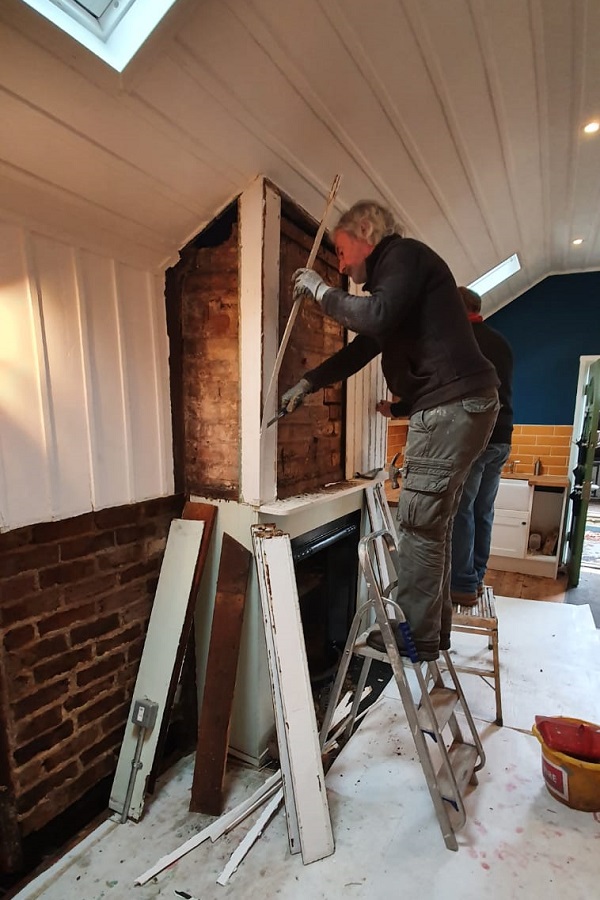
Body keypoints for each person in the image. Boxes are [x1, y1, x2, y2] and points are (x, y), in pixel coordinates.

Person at [279, 200, 499, 662]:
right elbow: (364, 347)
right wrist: (309, 382)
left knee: (417, 524)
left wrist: (321, 291)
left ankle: (415, 637)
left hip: (449, 407)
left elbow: (373, 318)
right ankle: (432, 634)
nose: (340, 264)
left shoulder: (402, 258)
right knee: (433, 526)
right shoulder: (397, 288)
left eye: (340, 251)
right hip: (463, 407)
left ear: (366, 232)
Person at [449, 287, 514, 605]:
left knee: (462, 510)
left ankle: (461, 584)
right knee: (483, 511)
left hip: (477, 436)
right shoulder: (500, 341)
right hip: (502, 437)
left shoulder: (462, 341)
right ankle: (475, 577)